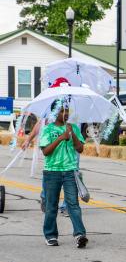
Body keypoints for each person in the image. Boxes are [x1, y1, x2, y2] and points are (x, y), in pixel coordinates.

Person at [39, 100, 88, 248]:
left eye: (67, 110)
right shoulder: (48, 129)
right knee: (51, 205)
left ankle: (80, 234)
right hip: (52, 172)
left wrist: (72, 135)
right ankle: (50, 235)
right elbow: (46, 151)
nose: (65, 114)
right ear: (55, 112)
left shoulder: (73, 128)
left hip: (69, 171)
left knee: (73, 204)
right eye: (61, 111)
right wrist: (60, 138)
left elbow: (80, 149)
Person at [23, 118, 69, 216]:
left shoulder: (74, 114)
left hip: (69, 157)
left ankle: (66, 206)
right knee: (49, 176)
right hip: (53, 155)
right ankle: (45, 196)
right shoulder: (52, 114)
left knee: (69, 180)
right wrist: (28, 140)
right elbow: (39, 125)